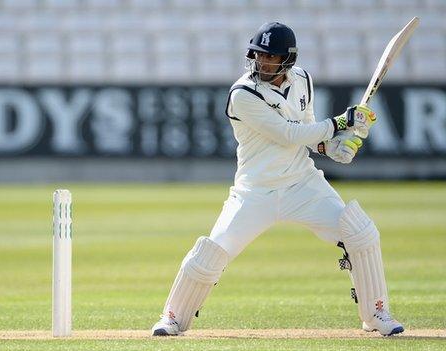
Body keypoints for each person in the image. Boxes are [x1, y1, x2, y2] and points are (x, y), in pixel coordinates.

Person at [151, 22, 403, 337]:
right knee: (212, 252)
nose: (263, 63)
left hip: (303, 184)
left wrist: (332, 147)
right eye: (258, 56)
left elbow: (307, 131)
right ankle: (172, 316)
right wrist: (340, 122)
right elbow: (287, 134)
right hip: (256, 190)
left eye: (270, 58)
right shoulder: (242, 94)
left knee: (361, 232)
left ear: (287, 60)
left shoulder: (303, 80)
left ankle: (376, 312)